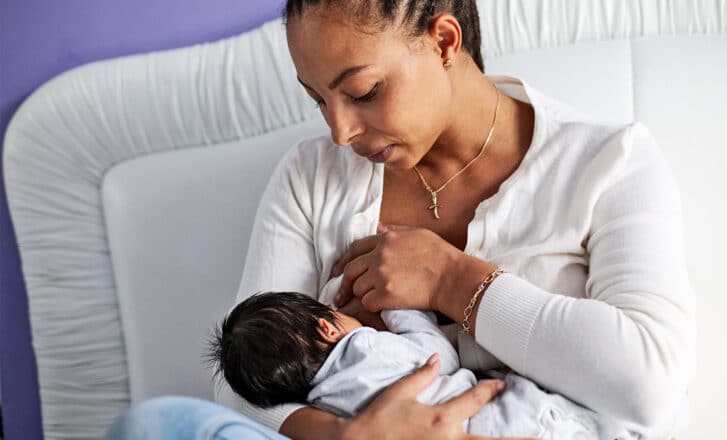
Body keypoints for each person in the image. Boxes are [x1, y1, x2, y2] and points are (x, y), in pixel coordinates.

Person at [109, 0, 695, 438]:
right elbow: (238, 387)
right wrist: (349, 436)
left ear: (443, 40)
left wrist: (454, 281)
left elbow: (649, 385)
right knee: (155, 425)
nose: (340, 132)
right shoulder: (312, 176)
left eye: (361, 91)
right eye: (318, 100)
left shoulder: (607, 163)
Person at [209, 290, 631, 439]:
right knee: (559, 411)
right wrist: (396, 306)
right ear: (326, 326)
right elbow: (437, 357)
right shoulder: (364, 348)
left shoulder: (320, 405)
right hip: (499, 418)